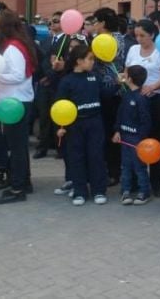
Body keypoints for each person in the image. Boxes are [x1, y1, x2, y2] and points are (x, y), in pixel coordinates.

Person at [0, 10, 38, 204]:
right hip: (17, 101)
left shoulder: (12, 48)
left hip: (14, 102)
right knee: (18, 146)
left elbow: (18, 75)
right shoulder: (18, 45)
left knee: (16, 147)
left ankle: (18, 187)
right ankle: (23, 182)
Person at [56, 45, 109, 206]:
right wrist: (61, 126)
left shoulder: (94, 77)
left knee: (96, 156)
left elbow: (105, 93)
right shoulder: (67, 81)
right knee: (76, 157)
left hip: (95, 122)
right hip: (75, 125)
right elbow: (60, 105)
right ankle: (79, 191)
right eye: (90, 59)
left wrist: (119, 84)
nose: (93, 62)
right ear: (79, 61)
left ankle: (99, 190)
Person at [125, 19, 160, 197]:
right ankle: (137, 181)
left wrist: (152, 87)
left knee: (156, 140)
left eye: (142, 35)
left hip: (156, 99)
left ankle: (157, 182)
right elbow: (127, 72)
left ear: (152, 35)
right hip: (137, 99)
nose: (139, 39)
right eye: (136, 35)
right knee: (137, 140)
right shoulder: (133, 50)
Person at [93, 7, 126, 186]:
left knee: (110, 130)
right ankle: (111, 169)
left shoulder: (109, 40)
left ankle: (114, 171)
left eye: (96, 22)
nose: (94, 25)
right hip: (109, 89)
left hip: (111, 90)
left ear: (103, 23)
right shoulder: (119, 37)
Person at [112, 65, 152, 205]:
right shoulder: (126, 94)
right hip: (125, 137)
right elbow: (120, 114)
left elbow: (145, 121)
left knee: (140, 167)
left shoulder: (141, 98)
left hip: (137, 140)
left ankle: (144, 192)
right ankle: (126, 191)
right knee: (126, 166)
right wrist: (117, 130)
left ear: (129, 78)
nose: (123, 75)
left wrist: (142, 139)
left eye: (126, 73)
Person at [33, 11, 65, 159]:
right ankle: (42, 146)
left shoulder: (67, 40)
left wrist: (50, 77)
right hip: (44, 85)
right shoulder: (46, 41)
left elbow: (66, 63)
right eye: (51, 21)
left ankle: (60, 147)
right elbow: (40, 60)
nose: (53, 24)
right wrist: (41, 77)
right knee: (44, 116)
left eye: (56, 21)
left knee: (58, 117)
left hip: (58, 83)